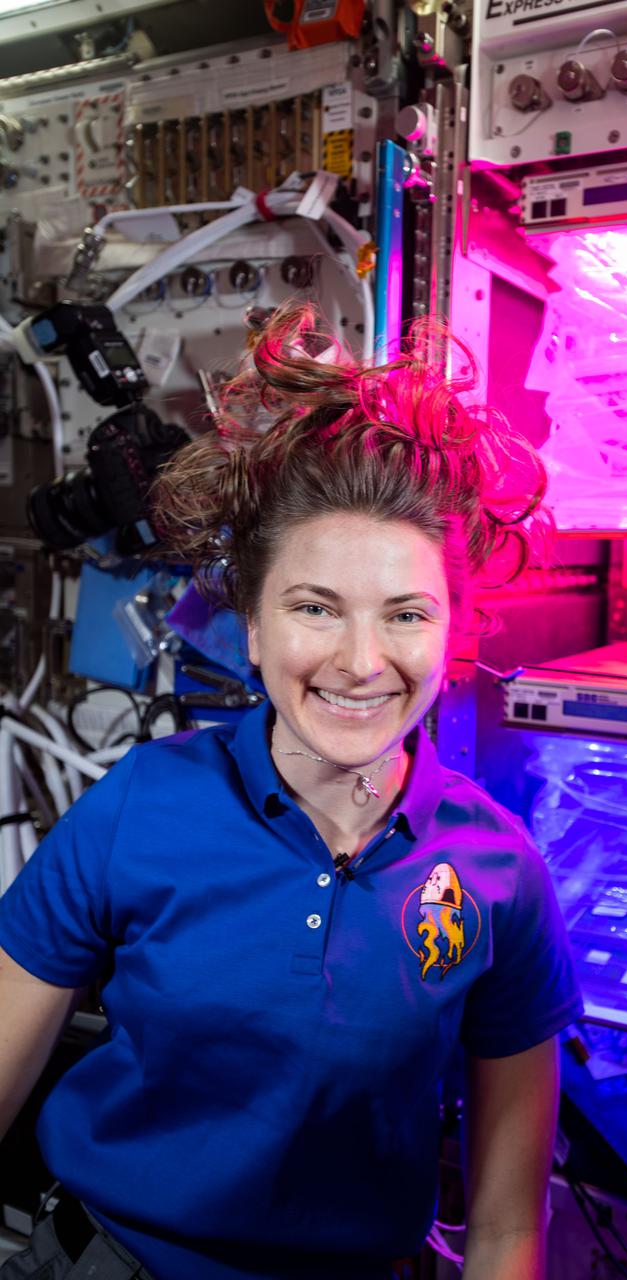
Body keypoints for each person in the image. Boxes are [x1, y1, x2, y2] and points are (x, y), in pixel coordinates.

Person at [0, 303, 581, 1280]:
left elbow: (503, 1231)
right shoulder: (141, 804)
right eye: (315, 607)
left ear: (451, 632)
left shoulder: (499, 872)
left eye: (404, 613)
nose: (361, 662)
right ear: (253, 628)